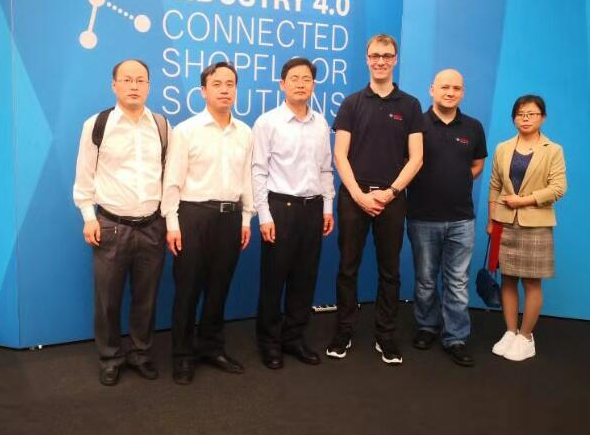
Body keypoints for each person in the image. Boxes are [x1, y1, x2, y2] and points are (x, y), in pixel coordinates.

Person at [73, 59, 169, 386]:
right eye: (127, 80)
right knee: (107, 301)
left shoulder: (161, 125)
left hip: (153, 227)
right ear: (114, 85)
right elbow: (84, 177)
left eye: (140, 80)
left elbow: (168, 177)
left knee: (146, 298)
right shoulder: (97, 124)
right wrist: (89, 217)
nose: (134, 86)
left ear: (149, 86)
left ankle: (141, 353)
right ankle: (110, 357)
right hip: (111, 227)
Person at [329, 34, 423, 365]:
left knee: (390, 271)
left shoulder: (410, 105)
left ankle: (386, 335)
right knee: (347, 268)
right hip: (353, 197)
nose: (380, 61)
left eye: (386, 55)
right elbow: (340, 154)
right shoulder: (352, 103)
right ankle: (343, 331)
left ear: (395, 59)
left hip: (392, 199)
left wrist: (390, 192)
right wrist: (358, 195)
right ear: (367, 59)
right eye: (375, 55)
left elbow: (417, 158)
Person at [161, 61, 254, 385]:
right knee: (187, 290)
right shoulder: (186, 131)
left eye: (230, 84)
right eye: (217, 84)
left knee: (219, 288)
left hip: (231, 218)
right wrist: (172, 223)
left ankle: (212, 348)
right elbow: (172, 181)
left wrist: (246, 218)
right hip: (193, 217)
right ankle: (182, 356)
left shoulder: (245, 132)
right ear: (203, 91)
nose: (225, 90)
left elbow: (246, 178)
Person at [251, 57, 335, 370]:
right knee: (274, 279)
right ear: (282, 84)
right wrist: (264, 214)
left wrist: (327, 207)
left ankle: (294, 338)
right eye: (294, 79)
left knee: (304, 278)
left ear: (313, 85)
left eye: (307, 79)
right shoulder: (267, 122)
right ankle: (269, 342)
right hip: (280, 209)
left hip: (313, 208)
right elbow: (258, 171)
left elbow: (326, 169)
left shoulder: (321, 123)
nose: (301, 84)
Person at [406, 69, 487, 367]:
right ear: (432, 90)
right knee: (426, 280)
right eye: (444, 87)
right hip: (422, 217)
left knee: (457, 282)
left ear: (462, 92)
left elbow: (477, 164)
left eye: (456, 88)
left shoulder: (473, 127)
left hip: (461, 219)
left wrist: (458, 180)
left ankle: (455, 337)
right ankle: (427, 326)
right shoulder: (416, 125)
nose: (450, 92)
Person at [488, 95, 566, 361]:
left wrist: (524, 201)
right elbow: (495, 186)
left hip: (536, 224)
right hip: (504, 222)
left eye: (532, 114)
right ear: (513, 118)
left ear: (542, 117)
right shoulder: (502, 148)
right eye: (520, 114)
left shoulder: (553, 149)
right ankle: (511, 331)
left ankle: (526, 336)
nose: (525, 118)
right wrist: (491, 220)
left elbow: (558, 188)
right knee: (507, 279)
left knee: (532, 282)